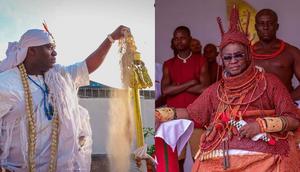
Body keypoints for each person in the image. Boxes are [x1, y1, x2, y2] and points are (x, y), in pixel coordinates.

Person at [156, 5, 300, 171]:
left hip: (264, 151)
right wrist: (161, 114)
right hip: (221, 150)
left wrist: (260, 126)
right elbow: (191, 112)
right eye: (228, 57)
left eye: (238, 55)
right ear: (222, 60)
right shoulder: (217, 89)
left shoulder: (270, 82)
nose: (233, 61)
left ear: (248, 56)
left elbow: (292, 119)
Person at [0, 24, 128, 171]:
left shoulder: (59, 76)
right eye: (49, 48)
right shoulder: (6, 83)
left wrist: (111, 39)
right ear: (32, 51)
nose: (55, 53)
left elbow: (88, 66)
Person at [252, 8, 300, 168]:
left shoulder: (292, 52)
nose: (266, 27)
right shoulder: (246, 55)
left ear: (277, 26)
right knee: (258, 156)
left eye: (270, 24)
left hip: (287, 112)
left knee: (291, 153)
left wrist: (288, 99)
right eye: (261, 24)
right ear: (256, 26)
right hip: (255, 111)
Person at [158, 26, 210, 172]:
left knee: (200, 161)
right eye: (176, 38)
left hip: (197, 118)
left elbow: (205, 89)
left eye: (183, 37)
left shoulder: (201, 60)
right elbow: (165, 90)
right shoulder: (168, 64)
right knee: (177, 162)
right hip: (175, 119)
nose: (179, 41)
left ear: (189, 39)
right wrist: (192, 82)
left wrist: (178, 86)